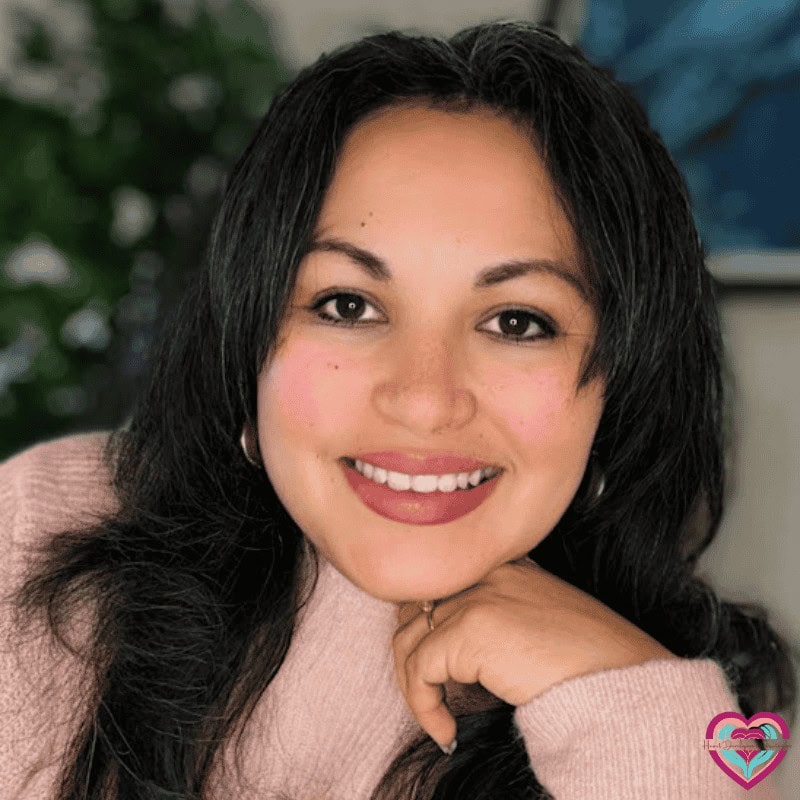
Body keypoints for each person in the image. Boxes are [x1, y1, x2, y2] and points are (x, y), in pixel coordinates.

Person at [0, 20, 795, 800]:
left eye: (517, 322)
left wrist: (627, 709)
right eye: (347, 305)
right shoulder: (45, 529)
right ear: (248, 342)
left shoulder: (678, 724)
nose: (422, 399)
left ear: (621, 384)